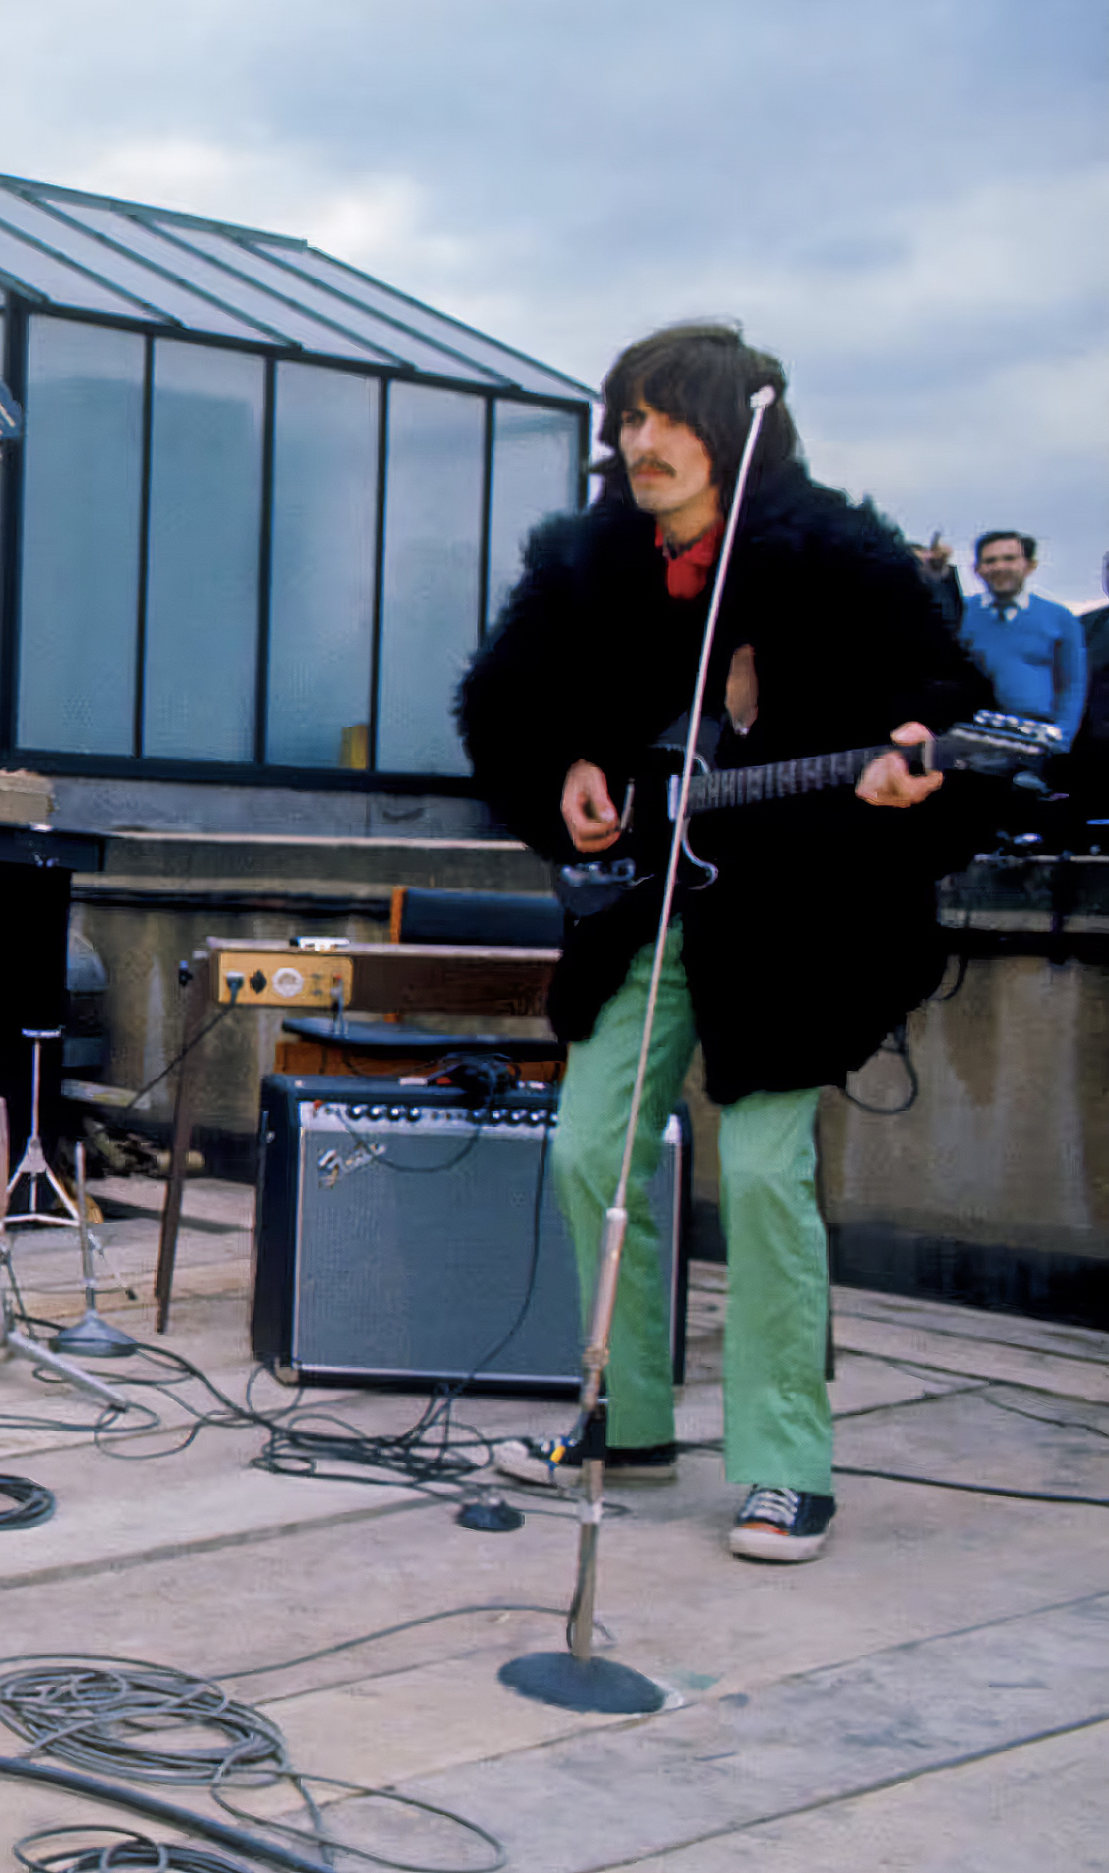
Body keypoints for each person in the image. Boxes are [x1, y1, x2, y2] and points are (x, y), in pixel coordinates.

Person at [457, 323, 986, 1568]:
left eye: (664, 416)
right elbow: (503, 703)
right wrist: (565, 767)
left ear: (731, 428)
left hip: (792, 924)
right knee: (587, 1150)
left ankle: (785, 1462)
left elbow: (947, 700)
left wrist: (913, 763)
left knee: (758, 1175)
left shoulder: (837, 556)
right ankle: (624, 1421)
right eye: (626, 418)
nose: (637, 441)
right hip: (644, 908)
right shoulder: (585, 559)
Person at [954, 530, 1085, 747]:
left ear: (1029, 565)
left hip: (1036, 737)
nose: (1000, 567)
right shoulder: (960, 613)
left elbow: (1073, 684)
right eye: (990, 561)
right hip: (971, 733)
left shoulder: (1060, 618)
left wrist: (1063, 735)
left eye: (1009, 559)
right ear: (977, 569)